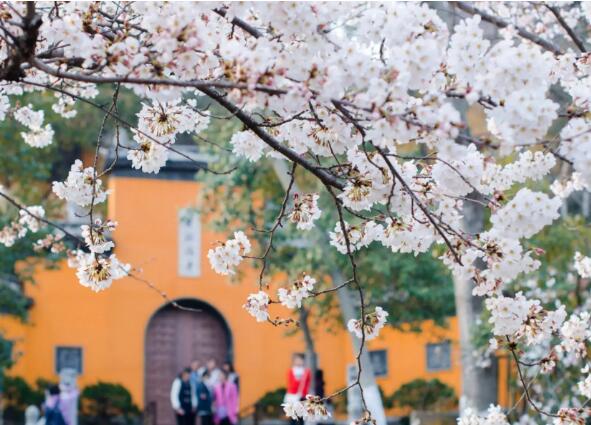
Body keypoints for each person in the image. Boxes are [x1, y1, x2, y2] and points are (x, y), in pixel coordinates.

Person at [284, 354, 311, 425]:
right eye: (297, 360)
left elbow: (307, 384)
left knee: (301, 415)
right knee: (292, 415)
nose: (299, 362)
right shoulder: (291, 371)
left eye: (300, 360)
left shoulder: (306, 372)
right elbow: (291, 384)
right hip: (292, 396)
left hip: (302, 396)